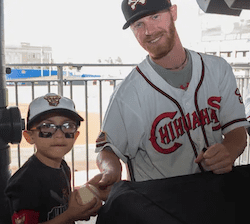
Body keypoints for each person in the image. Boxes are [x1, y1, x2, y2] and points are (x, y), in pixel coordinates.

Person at [89, 0, 249, 200]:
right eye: (138, 24)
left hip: (216, 195)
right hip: (159, 204)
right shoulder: (127, 94)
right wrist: (109, 171)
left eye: (155, 16)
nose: (149, 30)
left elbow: (237, 131)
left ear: (173, 13)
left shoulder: (218, 69)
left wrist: (229, 150)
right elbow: (108, 149)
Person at [5, 93, 102, 224]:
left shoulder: (63, 166)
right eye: (47, 126)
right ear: (29, 137)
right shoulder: (24, 183)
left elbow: (62, 203)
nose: (59, 135)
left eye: (68, 126)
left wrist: (90, 193)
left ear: (76, 135)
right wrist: (70, 216)